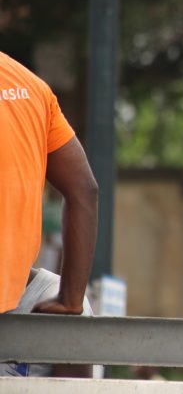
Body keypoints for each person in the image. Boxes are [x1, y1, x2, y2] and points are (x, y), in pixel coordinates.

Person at [0, 51, 98, 377]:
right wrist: (72, 299)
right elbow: (85, 189)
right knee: (77, 321)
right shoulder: (31, 87)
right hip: (19, 301)